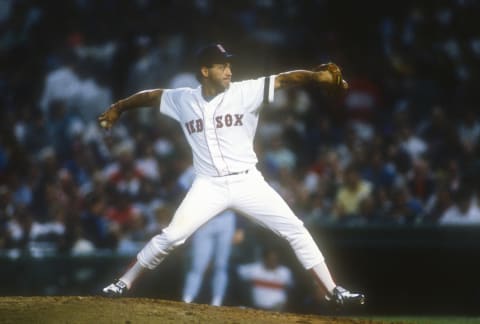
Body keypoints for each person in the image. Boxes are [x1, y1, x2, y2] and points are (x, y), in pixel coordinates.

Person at [99, 43, 365, 307]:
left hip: (248, 181)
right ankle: (123, 282)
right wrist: (119, 107)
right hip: (208, 185)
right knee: (171, 236)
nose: (229, 70)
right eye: (222, 65)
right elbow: (152, 96)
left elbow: (285, 80)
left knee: (295, 229)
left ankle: (333, 289)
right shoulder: (183, 99)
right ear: (205, 70)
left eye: (229, 64)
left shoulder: (245, 91)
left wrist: (313, 76)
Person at [178, 165, 237, 307]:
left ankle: (217, 301)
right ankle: (187, 298)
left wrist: (240, 226)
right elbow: (179, 188)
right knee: (198, 264)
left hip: (226, 218)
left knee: (221, 265)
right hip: (204, 218)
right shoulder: (195, 167)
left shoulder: (231, 165)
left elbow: (242, 198)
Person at [237, 247, 293, 311]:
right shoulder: (254, 269)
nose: (272, 262)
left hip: (277, 309)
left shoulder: (285, 272)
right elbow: (236, 272)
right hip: (257, 308)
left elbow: (290, 290)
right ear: (265, 259)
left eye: (275, 260)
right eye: (270, 259)